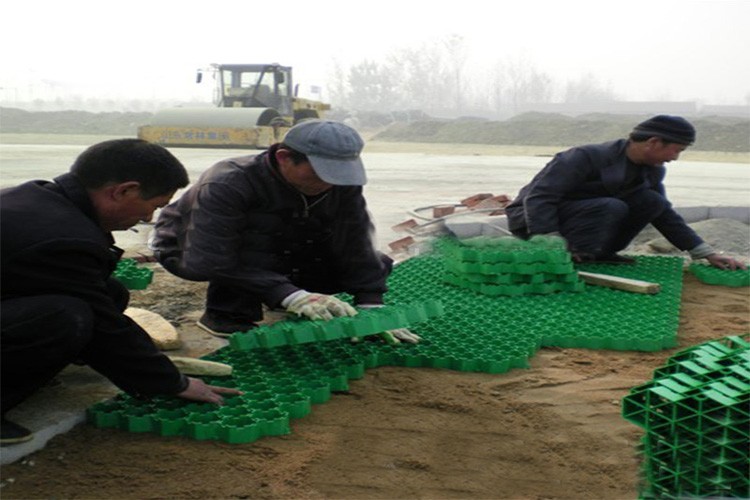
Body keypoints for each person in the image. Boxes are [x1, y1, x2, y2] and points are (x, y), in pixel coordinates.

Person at [0, 139, 241, 446]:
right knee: (66, 317)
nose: (148, 219)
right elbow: (104, 325)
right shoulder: (63, 237)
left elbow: (99, 302)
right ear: (123, 190)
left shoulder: (39, 198)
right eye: (152, 206)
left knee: (109, 292)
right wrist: (170, 381)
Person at [151, 119, 419, 343]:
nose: (327, 184)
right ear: (283, 158)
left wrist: (371, 305)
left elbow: (355, 237)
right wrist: (292, 296)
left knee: (374, 260)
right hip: (191, 245)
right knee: (256, 244)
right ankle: (226, 314)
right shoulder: (229, 181)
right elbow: (210, 256)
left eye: (337, 176)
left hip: (281, 241)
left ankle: (280, 293)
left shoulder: (341, 184)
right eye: (319, 174)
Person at [505, 115, 746, 270]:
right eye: (676, 150)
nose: (675, 158)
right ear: (653, 142)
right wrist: (549, 239)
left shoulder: (652, 170)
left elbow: (664, 214)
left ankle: (600, 253)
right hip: (534, 222)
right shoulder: (585, 156)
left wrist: (704, 252)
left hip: (584, 216)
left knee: (652, 201)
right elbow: (540, 197)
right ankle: (572, 254)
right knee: (612, 206)